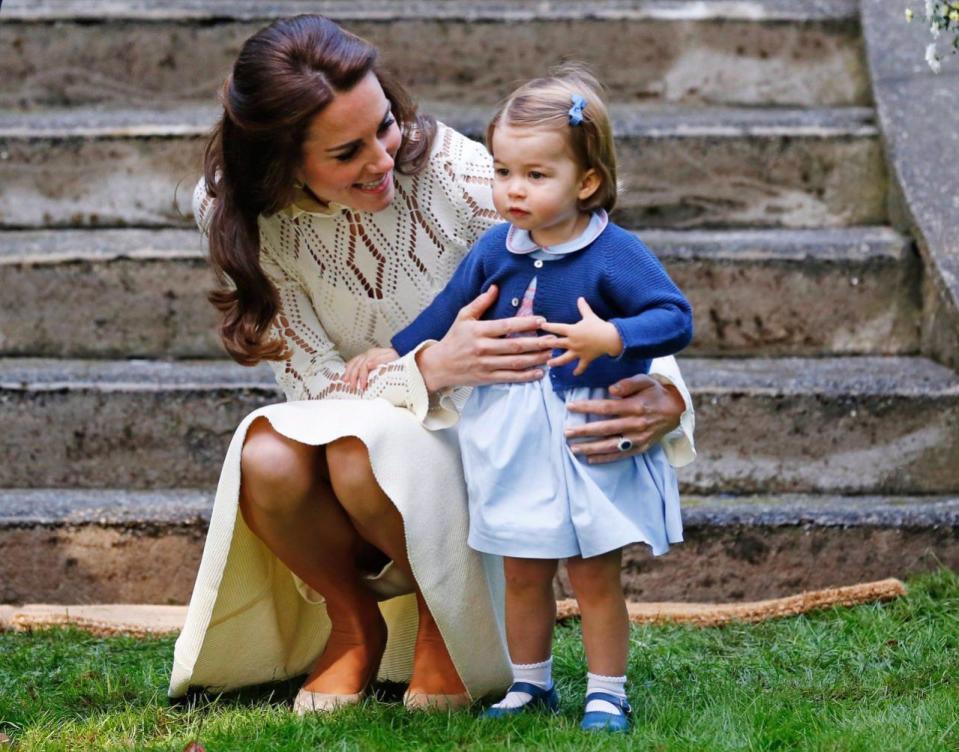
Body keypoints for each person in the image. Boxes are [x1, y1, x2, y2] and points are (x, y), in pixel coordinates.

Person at [167, 15, 696, 715]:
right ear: (280, 164)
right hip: (358, 420)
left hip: (484, 433)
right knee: (266, 452)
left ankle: (446, 629)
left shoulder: (459, 171)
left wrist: (663, 390)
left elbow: (593, 272)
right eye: (347, 151)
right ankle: (352, 622)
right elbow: (314, 384)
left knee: (363, 453)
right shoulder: (236, 212)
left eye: (384, 125)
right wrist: (429, 367)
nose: (383, 158)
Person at [350, 67, 692, 732]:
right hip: (511, 431)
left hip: (586, 430)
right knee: (524, 570)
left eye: (536, 175)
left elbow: (673, 317)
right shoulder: (494, 249)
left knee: (593, 574)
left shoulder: (613, 253)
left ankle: (606, 690)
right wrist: (397, 353)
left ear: (586, 181)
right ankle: (530, 683)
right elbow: (449, 310)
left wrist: (613, 334)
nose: (513, 188)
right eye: (504, 170)